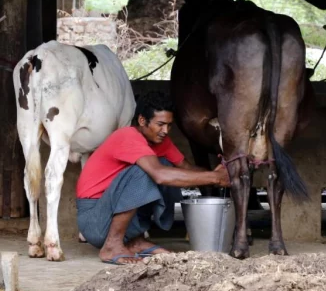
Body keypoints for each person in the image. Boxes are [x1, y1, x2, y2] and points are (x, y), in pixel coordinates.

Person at [76, 91, 230, 265]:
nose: (165, 131)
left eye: (169, 125)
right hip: (95, 220)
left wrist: (218, 172)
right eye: (160, 124)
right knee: (146, 172)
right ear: (142, 121)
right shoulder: (127, 136)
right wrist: (216, 178)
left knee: (164, 165)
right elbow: (159, 175)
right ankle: (112, 246)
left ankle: (136, 240)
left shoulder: (160, 141)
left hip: (112, 214)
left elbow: (186, 168)